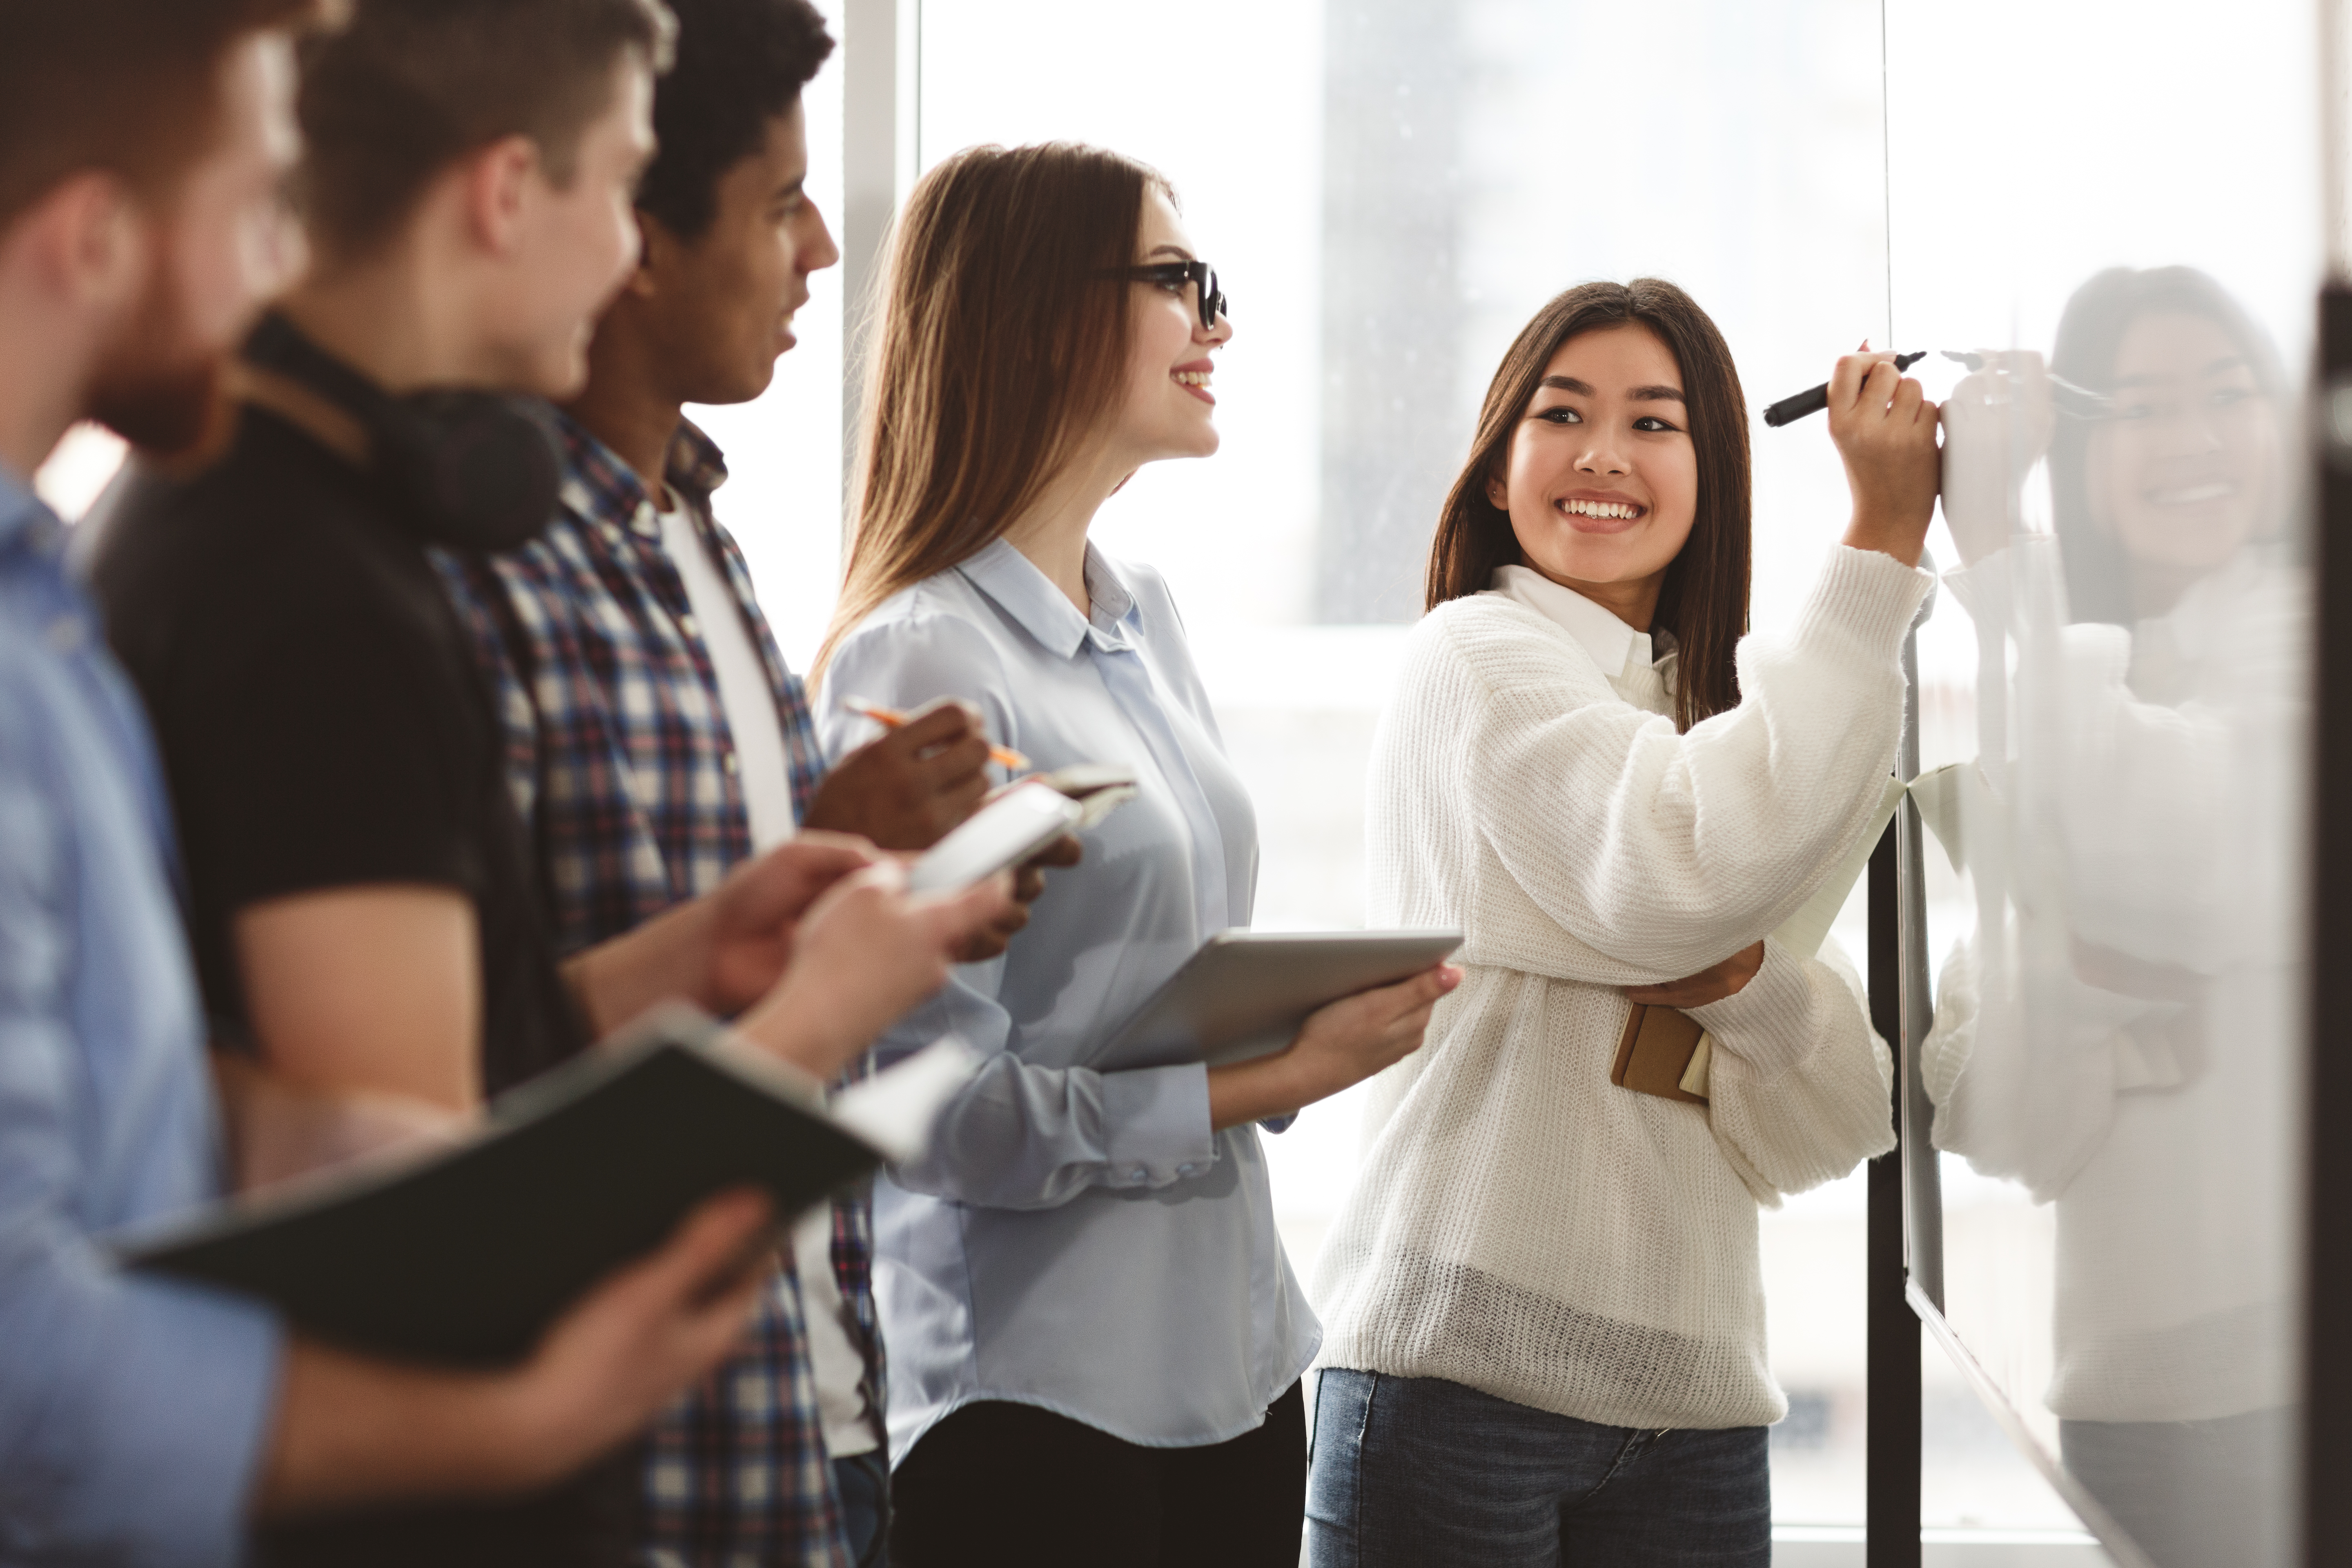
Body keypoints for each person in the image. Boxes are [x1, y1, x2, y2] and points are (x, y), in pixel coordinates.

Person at [85, 2, 1012, 1563]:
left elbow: (426, 1072)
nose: (622, 251)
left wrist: (694, 959)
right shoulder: (308, 581)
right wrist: (811, 1018)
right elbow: (417, 1225)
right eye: (615, 184)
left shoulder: (314, 530)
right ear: (510, 194)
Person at [433, 2, 1059, 1560]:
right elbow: (485, 1064)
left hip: (820, 1401)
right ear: (629, 231)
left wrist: (872, 864)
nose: (822, 258)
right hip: (632, 1454)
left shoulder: (700, 520)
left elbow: (733, 913)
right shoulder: (481, 569)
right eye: (784, 206)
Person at [809, 141, 1460, 1568]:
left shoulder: (1144, 612)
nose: (1217, 324)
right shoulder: (921, 655)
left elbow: (1152, 976)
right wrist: (1262, 1078)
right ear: (1046, 314)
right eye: (1181, 282)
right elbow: (926, 1113)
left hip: (1235, 1368)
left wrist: (1291, 1024)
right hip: (1035, 1409)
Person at [1302, 280, 1941, 1567]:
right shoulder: (1475, 659)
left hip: (1696, 1407)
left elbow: (1835, 1119)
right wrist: (1880, 539)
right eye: (1563, 414)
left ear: (1712, 474)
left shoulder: (1709, 724)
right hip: (1456, 1382)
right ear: (1498, 470)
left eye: (1655, 424)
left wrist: (1743, 980)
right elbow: (1679, 878)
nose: (1603, 455)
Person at [1923, 267, 2303, 1568]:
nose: (2194, 441)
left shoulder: (2308, 627)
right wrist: (2100, 984)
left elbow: (2191, 857)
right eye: (2140, 407)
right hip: (2125, 1392)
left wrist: (1995, 550)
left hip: (2292, 1381)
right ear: (2078, 451)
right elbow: (1999, 1115)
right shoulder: (2094, 675)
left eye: (2226, 395)